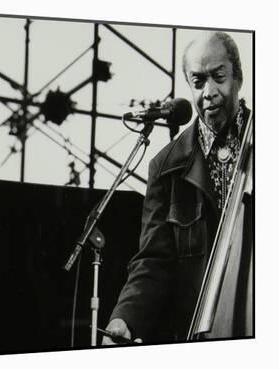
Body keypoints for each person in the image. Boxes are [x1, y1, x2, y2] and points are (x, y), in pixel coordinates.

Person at [103, 31, 253, 344]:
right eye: (198, 82)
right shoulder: (166, 166)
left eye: (219, 77)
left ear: (238, 76)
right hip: (200, 334)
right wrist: (125, 316)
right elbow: (153, 260)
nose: (209, 91)